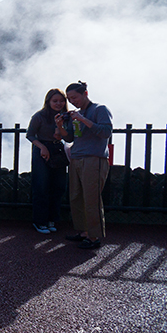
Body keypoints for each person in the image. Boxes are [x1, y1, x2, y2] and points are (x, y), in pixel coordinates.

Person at [56, 81, 113, 249]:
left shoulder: (100, 109)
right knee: (76, 197)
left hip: (94, 159)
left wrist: (83, 119)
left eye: (75, 97)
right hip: (77, 158)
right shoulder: (77, 113)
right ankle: (84, 232)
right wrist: (60, 126)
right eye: (70, 99)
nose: (72, 101)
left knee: (91, 198)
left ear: (85, 93)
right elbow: (70, 138)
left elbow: (105, 132)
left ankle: (94, 236)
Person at [26, 88, 69, 234]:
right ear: (48, 101)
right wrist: (42, 147)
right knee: (41, 185)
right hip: (42, 150)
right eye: (55, 101)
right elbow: (30, 135)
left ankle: (52, 219)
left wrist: (59, 126)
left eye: (61, 101)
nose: (58, 103)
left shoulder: (66, 117)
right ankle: (39, 221)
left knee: (58, 186)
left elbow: (64, 136)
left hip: (58, 149)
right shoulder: (39, 116)